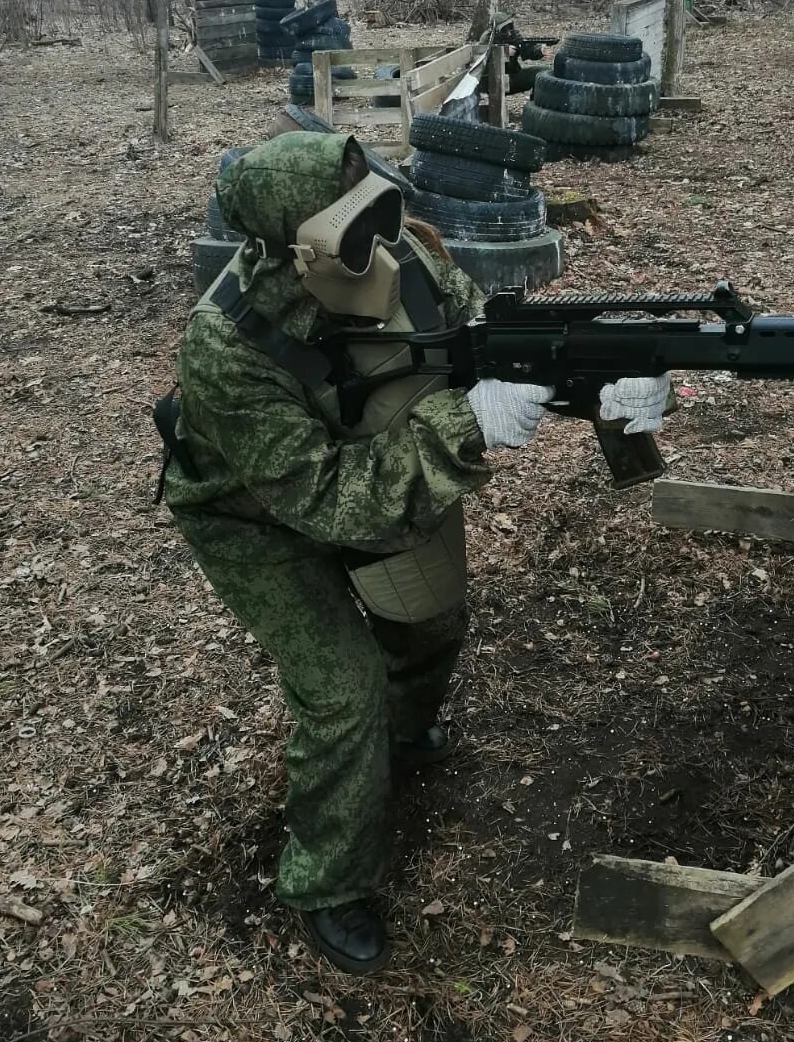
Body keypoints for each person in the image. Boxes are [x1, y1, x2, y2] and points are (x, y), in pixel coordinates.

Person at [160, 129, 672, 972]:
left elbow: (490, 348)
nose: (382, 241)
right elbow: (325, 502)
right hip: (252, 514)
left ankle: (399, 739)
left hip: (382, 459)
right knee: (341, 691)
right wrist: (470, 426)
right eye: (354, 228)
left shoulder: (412, 261)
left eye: (382, 209)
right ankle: (325, 882)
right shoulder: (224, 347)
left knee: (430, 624)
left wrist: (601, 385)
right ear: (296, 251)